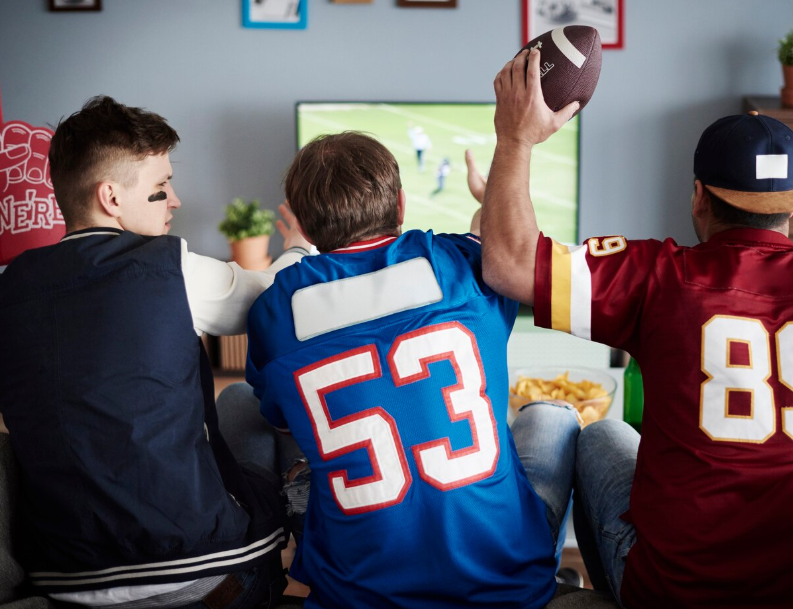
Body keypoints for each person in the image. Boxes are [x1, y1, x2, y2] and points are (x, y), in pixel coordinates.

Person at [479, 48, 793, 607]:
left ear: (699, 196)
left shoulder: (659, 278)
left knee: (600, 434)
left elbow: (508, 262)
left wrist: (515, 138)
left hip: (677, 593)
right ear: (791, 206)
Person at [0, 95, 312, 608]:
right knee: (245, 399)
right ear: (110, 196)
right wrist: (302, 245)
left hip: (66, 579)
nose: (174, 200)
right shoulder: (171, 267)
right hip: (206, 577)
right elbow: (277, 298)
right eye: (160, 187)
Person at [241, 131, 581, 608]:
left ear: (306, 225)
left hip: (360, 590)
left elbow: (280, 421)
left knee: (259, 415)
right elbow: (501, 244)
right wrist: (492, 202)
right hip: (506, 580)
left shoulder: (276, 311)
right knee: (554, 416)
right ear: (400, 205)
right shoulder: (460, 264)